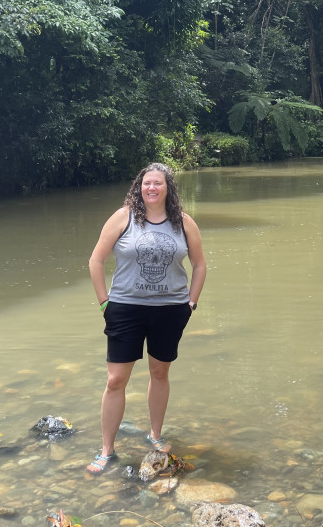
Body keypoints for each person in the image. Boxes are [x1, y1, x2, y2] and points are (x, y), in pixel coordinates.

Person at [86, 162, 206, 474]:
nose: (151, 188)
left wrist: (190, 303)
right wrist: (104, 303)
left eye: (158, 183)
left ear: (169, 189)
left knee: (159, 373)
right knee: (115, 380)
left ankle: (155, 434)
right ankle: (106, 450)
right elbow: (96, 260)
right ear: (139, 187)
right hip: (125, 307)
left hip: (170, 309)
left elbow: (200, 264)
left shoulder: (183, 222)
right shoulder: (123, 217)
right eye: (146, 183)